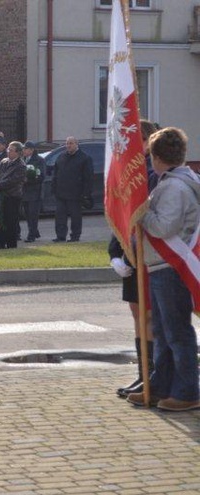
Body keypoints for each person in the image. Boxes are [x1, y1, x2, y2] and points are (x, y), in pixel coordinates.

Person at [127, 127, 200, 411]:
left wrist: (141, 212)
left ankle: (186, 391)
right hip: (163, 266)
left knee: (176, 332)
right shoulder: (175, 181)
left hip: (171, 266)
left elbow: (164, 227)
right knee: (163, 329)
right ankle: (162, 385)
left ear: (157, 158)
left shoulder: (173, 186)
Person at [112, 119, 157, 399]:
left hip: (148, 257)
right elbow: (120, 216)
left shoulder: (151, 173)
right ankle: (143, 374)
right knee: (136, 314)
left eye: (131, 139)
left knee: (148, 317)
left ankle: (153, 377)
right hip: (129, 254)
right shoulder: (128, 172)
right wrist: (115, 254)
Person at [51, 136, 93, 242]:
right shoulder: (61, 157)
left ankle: (75, 236)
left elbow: (88, 178)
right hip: (61, 193)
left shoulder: (84, 158)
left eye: (71, 143)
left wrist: (85, 193)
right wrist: (54, 188)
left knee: (75, 217)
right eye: (67, 143)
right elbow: (55, 174)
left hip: (76, 194)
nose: (68, 145)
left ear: (76, 144)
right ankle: (60, 236)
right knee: (60, 217)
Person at [0, 141, 26, 249]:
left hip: (12, 197)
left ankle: (11, 245)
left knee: (11, 222)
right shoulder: (4, 162)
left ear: (18, 152)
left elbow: (13, 180)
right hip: (1, 196)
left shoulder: (21, 165)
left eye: (11, 150)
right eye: (8, 149)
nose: (8, 152)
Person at [21, 141, 46, 242]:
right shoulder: (23, 160)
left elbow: (41, 176)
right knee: (27, 214)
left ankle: (31, 236)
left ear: (32, 150)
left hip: (35, 191)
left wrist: (28, 180)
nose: (23, 151)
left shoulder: (39, 160)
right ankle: (35, 232)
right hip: (25, 191)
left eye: (25, 149)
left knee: (33, 214)